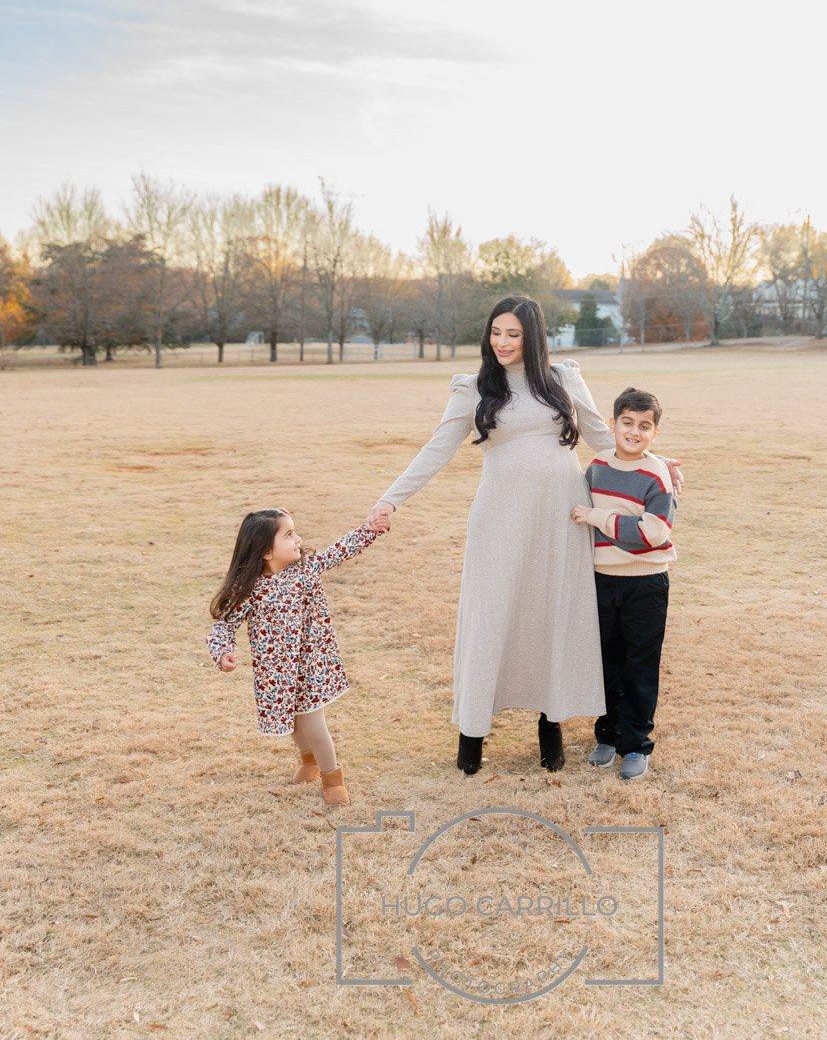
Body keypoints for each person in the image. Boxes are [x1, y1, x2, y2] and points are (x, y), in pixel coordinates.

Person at [366, 295, 681, 776]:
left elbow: (604, 436)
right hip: (500, 521)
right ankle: (472, 734)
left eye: (513, 334)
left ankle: (549, 725)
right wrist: (390, 500)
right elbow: (437, 449)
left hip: (562, 519)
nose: (502, 342)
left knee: (550, 615)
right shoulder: (473, 388)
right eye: (496, 332)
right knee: (491, 617)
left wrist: (659, 464)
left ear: (532, 338)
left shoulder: (562, 379)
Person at [207, 508, 385, 806]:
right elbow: (223, 626)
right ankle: (309, 761)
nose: (298, 539)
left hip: (311, 664)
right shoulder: (249, 590)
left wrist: (370, 529)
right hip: (277, 673)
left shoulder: (305, 570)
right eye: (289, 535)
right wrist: (223, 652)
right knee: (292, 723)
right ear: (265, 552)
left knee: (313, 723)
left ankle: (332, 778)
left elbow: (340, 551)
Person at [571, 387, 675, 781]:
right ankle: (608, 736)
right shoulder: (597, 466)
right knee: (607, 664)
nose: (634, 432)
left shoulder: (657, 474)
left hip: (646, 583)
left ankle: (635, 745)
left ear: (655, 433)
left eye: (644, 426)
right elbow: (576, 510)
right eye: (627, 423)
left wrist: (599, 518)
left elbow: (653, 532)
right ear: (613, 424)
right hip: (601, 580)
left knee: (640, 667)